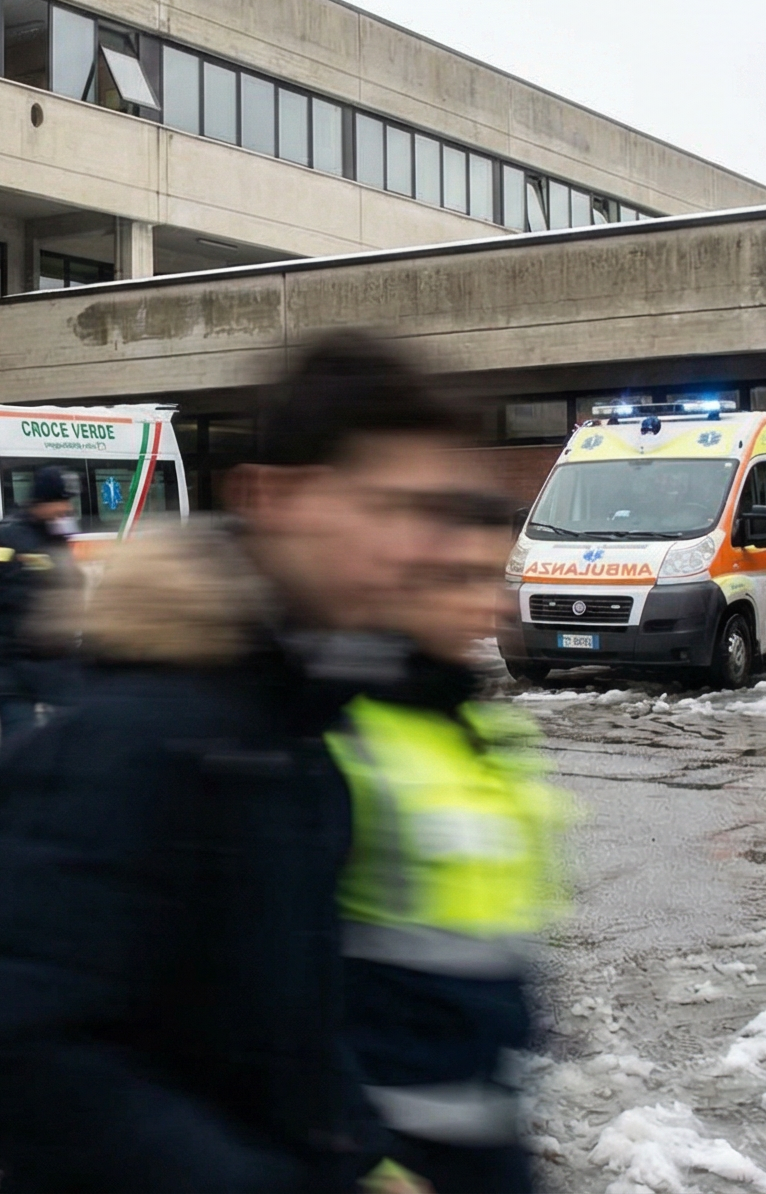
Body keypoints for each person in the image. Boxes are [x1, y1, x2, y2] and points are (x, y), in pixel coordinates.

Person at [0, 330, 487, 1193]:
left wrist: (363, 1157)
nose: (416, 550)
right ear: (272, 497)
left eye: (430, 513)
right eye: (383, 507)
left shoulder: (304, 734)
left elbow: (287, 1028)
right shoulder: (125, 740)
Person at [334, 509, 569, 1194]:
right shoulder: (349, 741)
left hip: (486, 1114)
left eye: (489, 576)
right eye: (456, 578)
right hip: (393, 1142)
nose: (485, 601)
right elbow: (287, 976)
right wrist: (361, 1154)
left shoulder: (485, 730)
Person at [0, 465, 78, 738]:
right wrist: (44, 599)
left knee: (68, 743)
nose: (67, 508)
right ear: (43, 500)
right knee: (19, 743)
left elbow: (72, 586)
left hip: (54, 667)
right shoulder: (3, 535)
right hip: (11, 669)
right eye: (61, 501)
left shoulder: (57, 536)